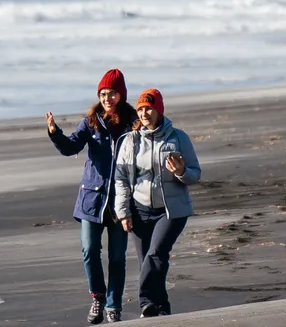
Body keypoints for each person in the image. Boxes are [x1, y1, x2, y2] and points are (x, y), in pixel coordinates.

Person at [46, 68, 138, 324]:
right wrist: (55, 133)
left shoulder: (132, 123)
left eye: (112, 94)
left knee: (117, 257)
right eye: (103, 93)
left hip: (121, 201)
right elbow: (71, 147)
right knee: (89, 250)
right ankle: (98, 297)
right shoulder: (91, 121)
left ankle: (113, 306)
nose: (107, 98)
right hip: (91, 200)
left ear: (121, 95)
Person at [114, 88, 201, 318]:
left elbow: (195, 174)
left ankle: (144, 301)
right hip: (139, 209)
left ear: (159, 110)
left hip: (171, 210)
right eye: (141, 109)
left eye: (149, 109)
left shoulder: (178, 138)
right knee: (152, 261)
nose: (144, 113)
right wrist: (123, 212)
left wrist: (182, 171)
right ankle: (161, 308)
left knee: (155, 254)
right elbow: (121, 179)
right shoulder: (130, 141)